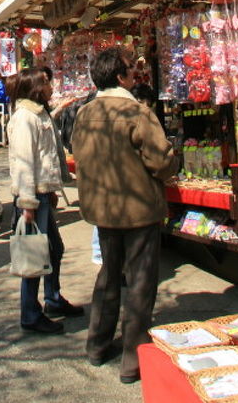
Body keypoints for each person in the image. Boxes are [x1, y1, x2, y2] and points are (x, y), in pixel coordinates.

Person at [71, 46, 177, 384]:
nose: (136, 75)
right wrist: (176, 161)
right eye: (132, 70)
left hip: (103, 209)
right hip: (139, 209)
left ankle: (97, 344)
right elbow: (161, 162)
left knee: (108, 276)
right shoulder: (136, 113)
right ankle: (133, 357)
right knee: (141, 281)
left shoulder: (84, 114)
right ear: (120, 76)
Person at [7, 67, 83, 335]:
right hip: (32, 197)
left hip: (42, 192)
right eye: (48, 82)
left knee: (53, 249)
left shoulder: (41, 115)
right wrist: (27, 203)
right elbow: (24, 163)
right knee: (34, 254)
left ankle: (52, 298)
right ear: (37, 87)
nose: (52, 86)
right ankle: (30, 313)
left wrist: (54, 186)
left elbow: (49, 157)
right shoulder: (25, 118)